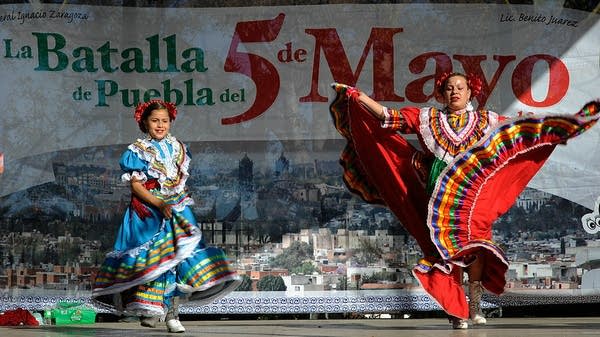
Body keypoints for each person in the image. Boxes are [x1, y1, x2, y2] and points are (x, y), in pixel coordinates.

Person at [329, 74, 598, 329]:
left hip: (474, 190)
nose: (455, 91)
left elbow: (518, 132)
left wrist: (551, 126)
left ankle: (476, 305)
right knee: (447, 251)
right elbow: (389, 117)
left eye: (460, 87)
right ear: (442, 94)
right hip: (439, 191)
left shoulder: (486, 119)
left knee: (477, 246)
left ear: (470, 92)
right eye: (449, 88)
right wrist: (360, 97)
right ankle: (456, 310)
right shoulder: (428, 118)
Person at [92, 99, 241, 333]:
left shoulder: (179, 147)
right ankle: (152, 308)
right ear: (144, 123)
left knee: (178, 259)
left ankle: (172, 313)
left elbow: (178, 180)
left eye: (164, 121)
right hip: (149, 212)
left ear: (171, 122)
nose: (160, 125)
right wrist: (159, 203)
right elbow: (136, 185)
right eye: (155, 121)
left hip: (176, 208)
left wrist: (177, 198)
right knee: (156, 263)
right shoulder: (137, 151)